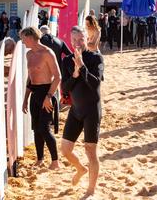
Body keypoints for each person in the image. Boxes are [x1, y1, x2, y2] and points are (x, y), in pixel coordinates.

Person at [60, 26, 104, 198]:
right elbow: (64, 88)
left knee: (90, 150)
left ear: (87, 39)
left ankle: (91, 191)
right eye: (74, 40)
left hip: (92, 109)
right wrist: (75, 75)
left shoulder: (96, 58)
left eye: (81, 39)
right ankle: (80, 168)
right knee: (65, 149)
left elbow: (95, 85)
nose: (78, 43)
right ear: (70, 42)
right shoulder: (66, 61)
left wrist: (83, 67)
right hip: (76, 109)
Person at [21, 27, 61, 169]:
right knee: (36, 129)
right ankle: (40, 159)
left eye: (23, 39)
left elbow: (58, 77)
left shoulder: (47, 53)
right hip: (35, 93)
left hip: (47, 91)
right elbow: (30, 79)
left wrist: (49, 96)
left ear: (31, 37)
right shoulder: (29, 54)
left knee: (44, 129)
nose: (22, 42)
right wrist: (25, 98)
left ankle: (55, 161)